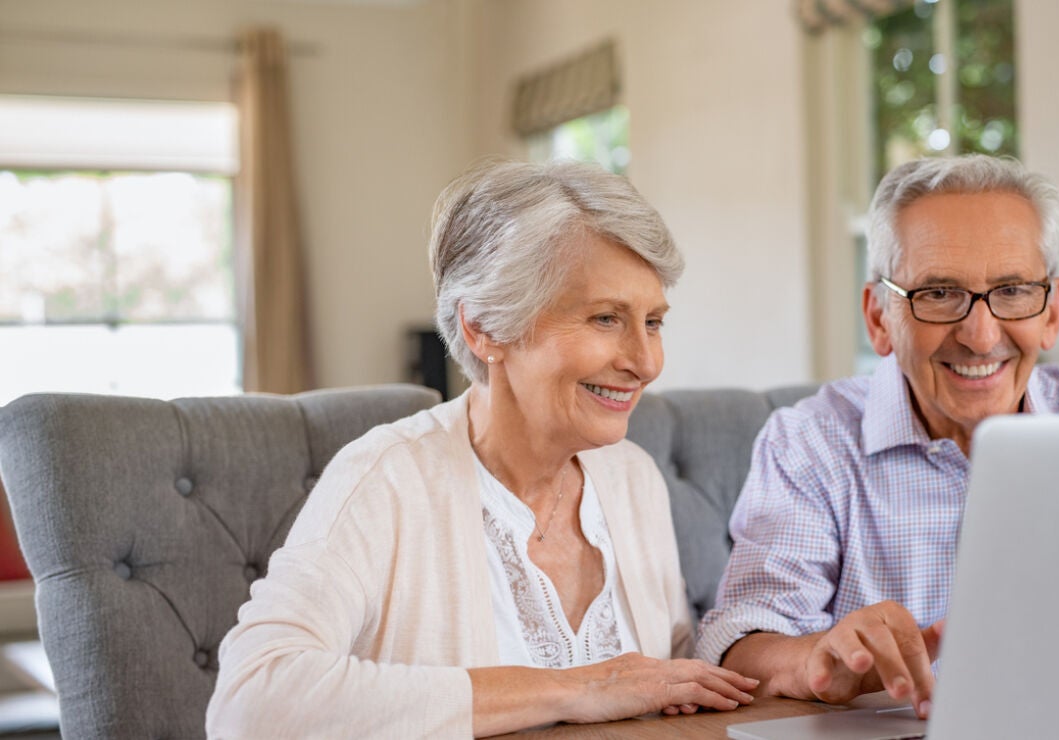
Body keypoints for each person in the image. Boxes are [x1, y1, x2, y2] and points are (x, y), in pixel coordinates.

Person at [207, 159, 757, 738]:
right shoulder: (386, 479)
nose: (644, 363)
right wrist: (578, 689)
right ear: (484, 329)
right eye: (605, 318)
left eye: (653, 322)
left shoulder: (631, 477)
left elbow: (664, 683)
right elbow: (250, 703)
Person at [695, 154, 1059, 720]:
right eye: (939, 293)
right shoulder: (810, 443)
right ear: (878, 318)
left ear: (1052, 311)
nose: (980, 334)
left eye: (1014, 290)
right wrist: (815, 663)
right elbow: (743, 638)